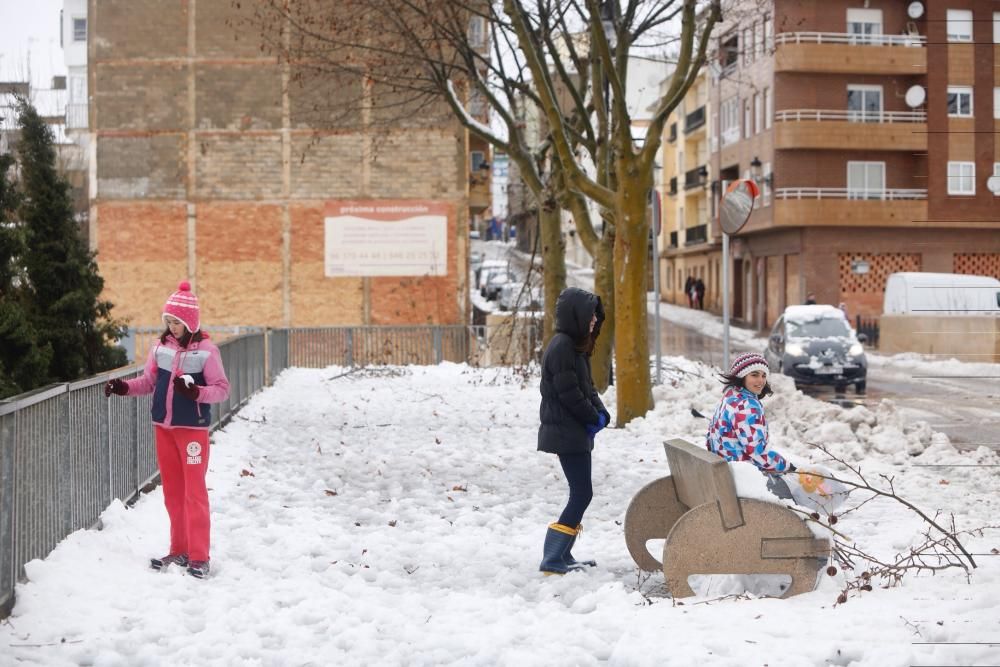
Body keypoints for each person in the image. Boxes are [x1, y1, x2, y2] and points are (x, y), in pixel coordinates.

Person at [105, 281, 230, 579]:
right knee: (173, 493)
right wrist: (123, 387)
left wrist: (195, 392)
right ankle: (179, 549)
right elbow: (148, 383)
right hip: (164, 429)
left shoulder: (207, 352)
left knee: (194, 493)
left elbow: (222, 390)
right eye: (169, 321)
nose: (172, 327)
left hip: (192, 432)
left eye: (177, 322)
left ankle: (199, 556)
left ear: (191, 322)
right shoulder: (160, 349)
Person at [537, 287, 610, 575]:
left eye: (595, 317)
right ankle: (553, 557)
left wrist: (601, 412)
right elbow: (569, 393)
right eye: (590, 316)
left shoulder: (576, 347)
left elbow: (587, 388)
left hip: (576, 432)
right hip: (567, 432)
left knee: (581, 492)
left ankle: (562, 555)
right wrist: (593, 418)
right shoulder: (562, 347)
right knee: (582, 493)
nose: (594, 321)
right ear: (577, 316)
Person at [705, 352, 794, 491]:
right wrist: (787, 467)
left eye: (763, 375)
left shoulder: (731, 396)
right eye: (754, 375)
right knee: (795, 490)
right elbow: (756, 451)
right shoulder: (746, 406)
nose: (761, 381)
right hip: (741, 478)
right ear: (741, 377)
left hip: (726, 470)